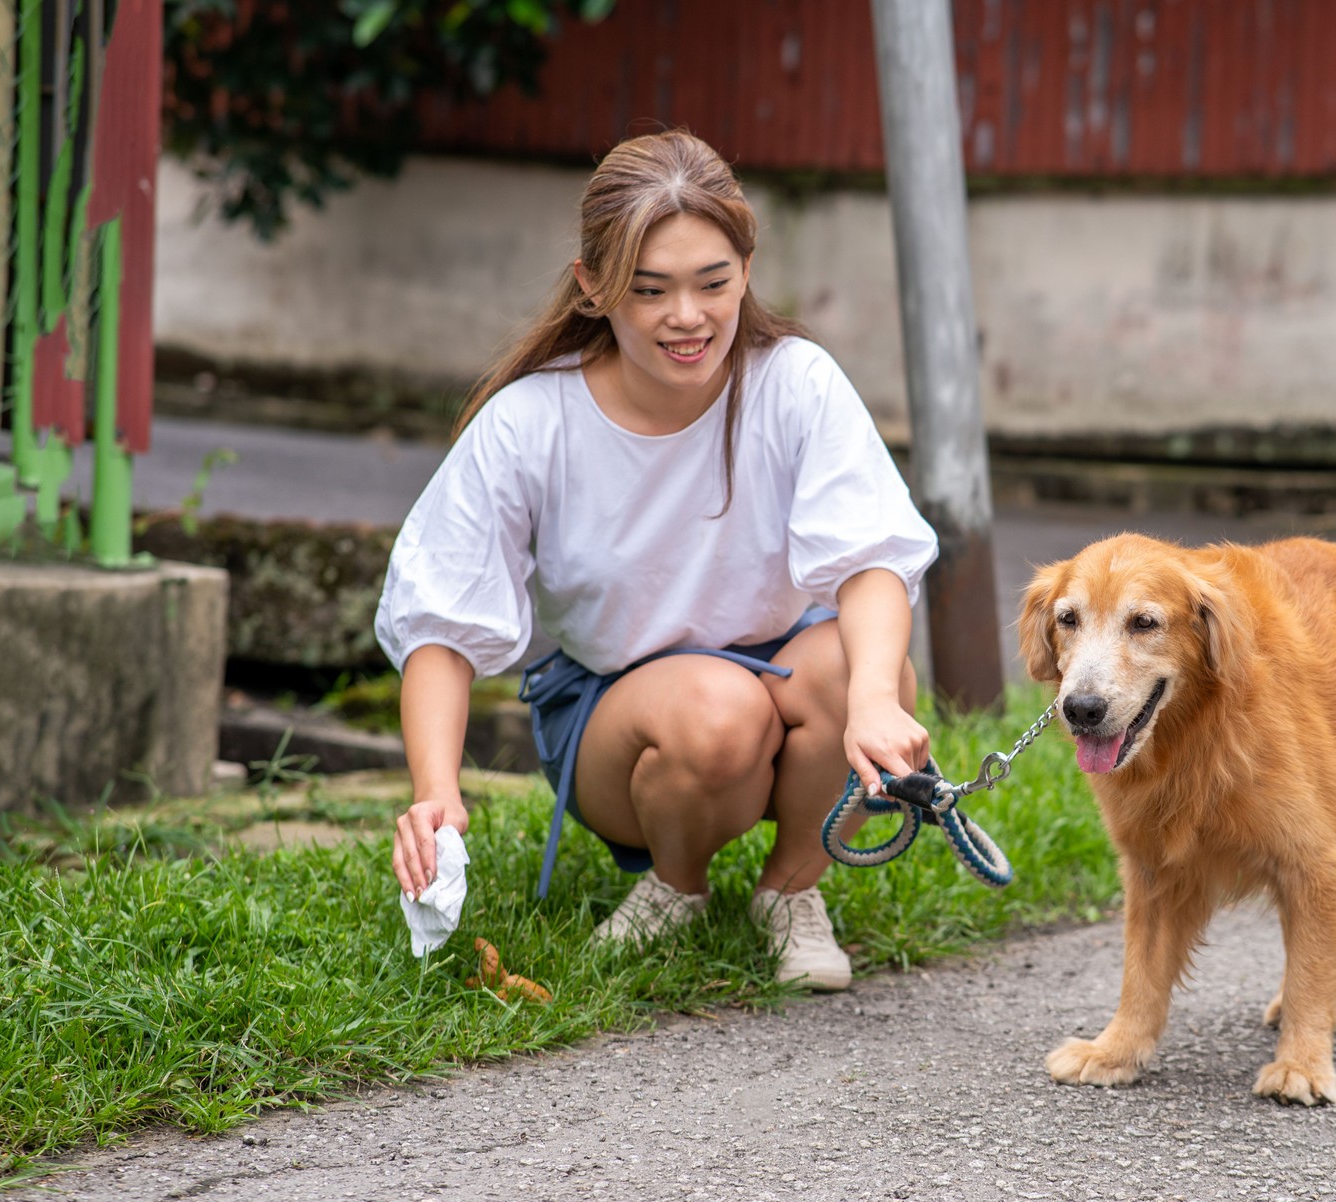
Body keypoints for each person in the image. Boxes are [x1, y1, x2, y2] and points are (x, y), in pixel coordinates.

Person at [376, 129, 939, 992]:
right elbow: (441, 621)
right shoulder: (532, 421)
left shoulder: (795, 382)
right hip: (620, 721)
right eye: (652, 290)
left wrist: (870, 698)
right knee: (718, 707)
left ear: (747, 267)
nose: (689, 316)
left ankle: (790, 890)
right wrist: (434, 789)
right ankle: (672, 885)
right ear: (593, 287)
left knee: (866, 666)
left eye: (713, 282)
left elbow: (871, 562)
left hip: (781, 681)